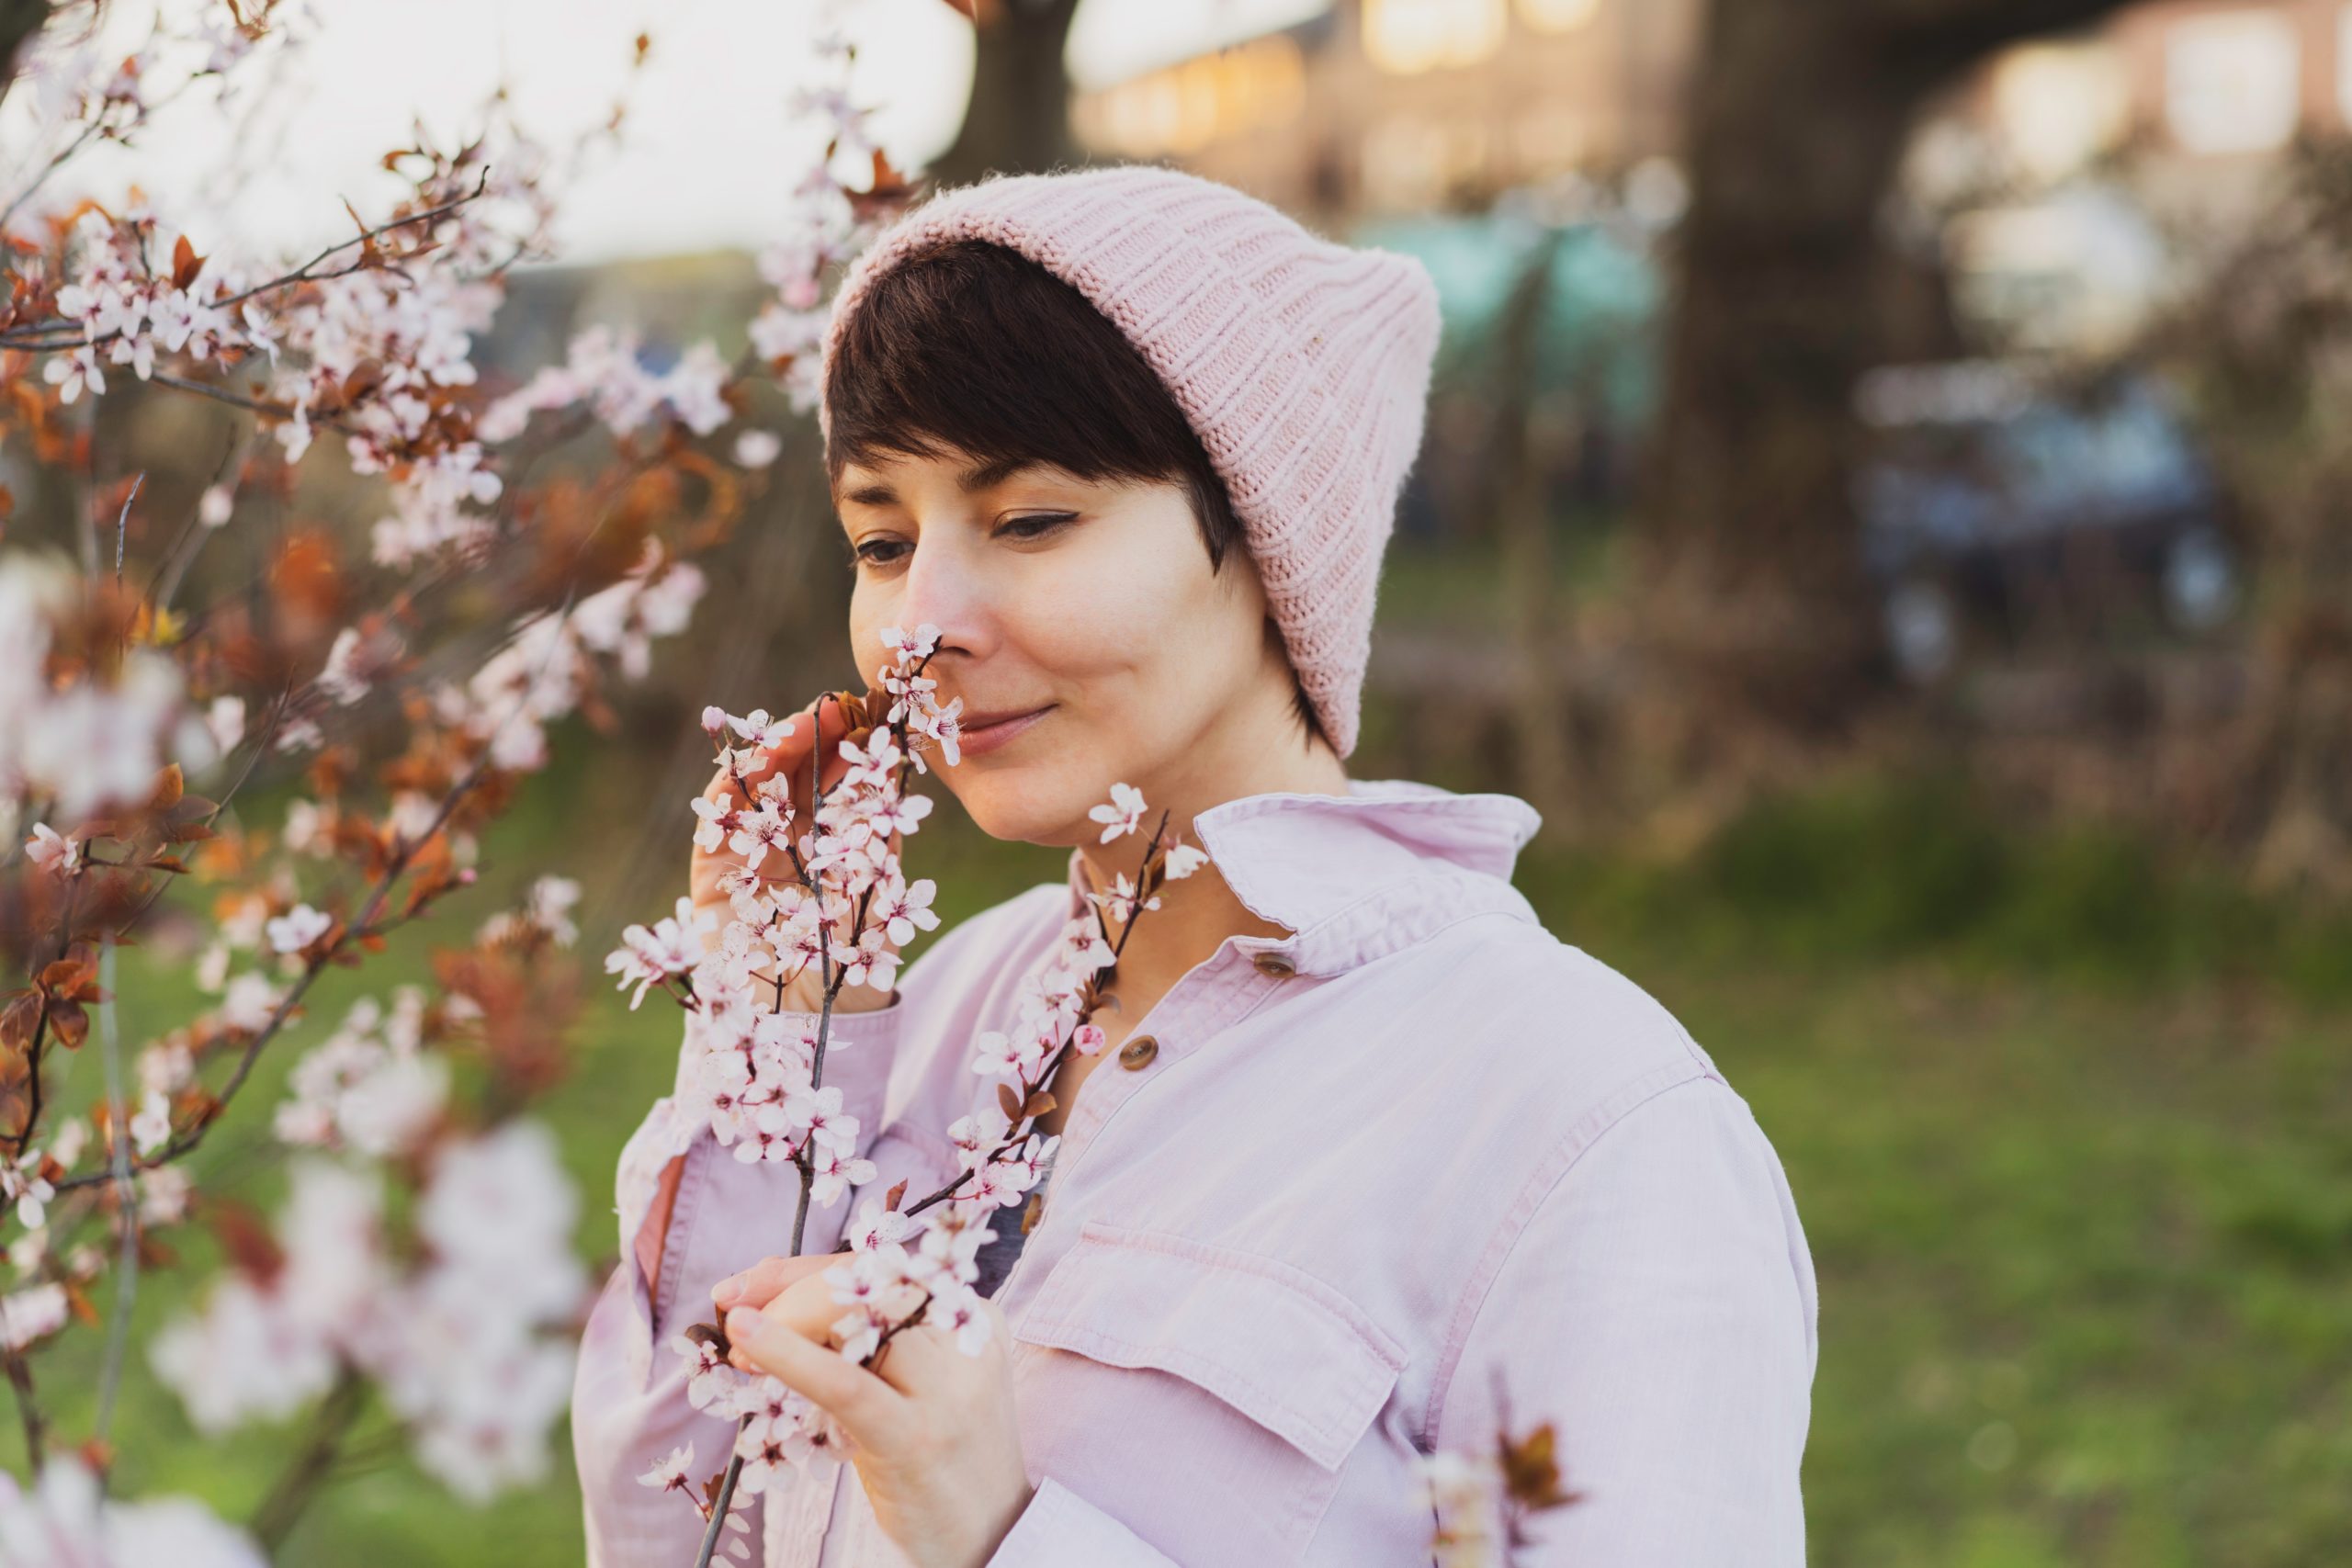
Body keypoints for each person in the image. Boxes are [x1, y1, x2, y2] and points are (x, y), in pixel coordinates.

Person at [571, 164, 1818, 1568]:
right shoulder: (930, 1019)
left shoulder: (1578, 1122)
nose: (923, 625)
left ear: (1270, 542)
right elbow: (683, 1544)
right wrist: (778, 1044)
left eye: (1031, 520)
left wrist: (1002, 1537)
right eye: (881, 538)